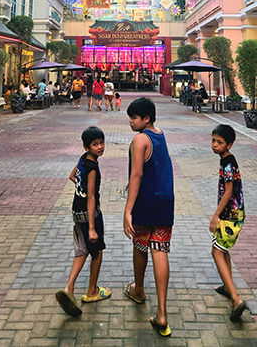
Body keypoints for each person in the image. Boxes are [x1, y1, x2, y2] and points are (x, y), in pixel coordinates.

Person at [122, 97, 175, 337]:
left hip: (145, 202)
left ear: (146, 118)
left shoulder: (140, 139)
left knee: (140, 246)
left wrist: (128, 210)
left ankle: (140, 290)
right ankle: (162, 313)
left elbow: (137, 175)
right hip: (165, 200)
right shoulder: (159, 134)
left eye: (134, 118)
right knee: (160, 249)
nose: (131, 122)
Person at [55, 126, 109, 316]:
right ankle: (92, 291)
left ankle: (69, 288)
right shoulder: (92, 167)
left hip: (76, 211)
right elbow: (92, 197)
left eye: (102, 143)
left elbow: (72, 176)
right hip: (89, 215)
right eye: (96, 145)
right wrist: (92, 228)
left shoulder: (82, 159)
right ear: (87, 146)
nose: (100, 147)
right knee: (96, 251)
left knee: (81, 251)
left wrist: (81, 187)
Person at [208, 124, 249, 321]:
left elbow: (229, 191)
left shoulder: (228, 164)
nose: (215, 145)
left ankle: (236, 299)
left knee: (216, 251)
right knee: (223, 250)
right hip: (233, 214)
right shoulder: (226, 160)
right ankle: (227, 286)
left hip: (230, 215)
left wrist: (215, 215)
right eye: (213, 141)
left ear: (229, 145)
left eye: (220, 142)